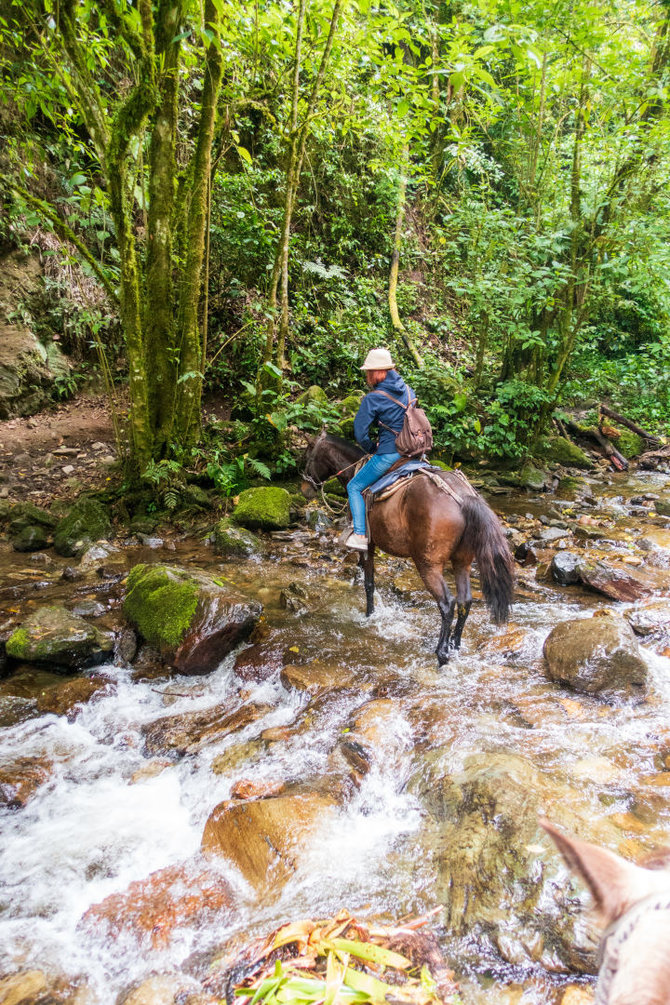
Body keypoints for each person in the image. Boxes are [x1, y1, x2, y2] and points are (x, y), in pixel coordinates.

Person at [345, 347, 416, 551]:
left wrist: (371, 448)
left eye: (369, 372)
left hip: (389, 453)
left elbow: (360, 432)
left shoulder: (373, 398)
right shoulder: (409, 390)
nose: (367, 376)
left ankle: (359, 534)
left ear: (380, 372)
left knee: (354, 487)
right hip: (413, 452)